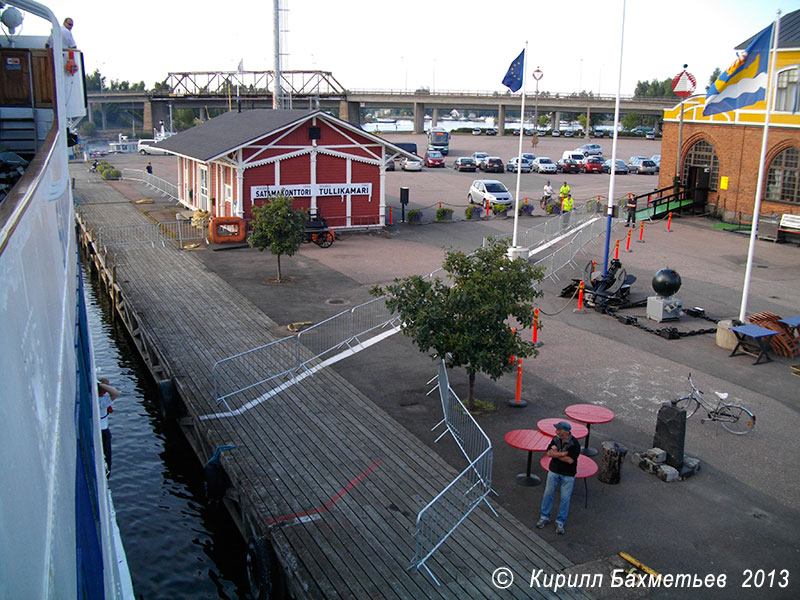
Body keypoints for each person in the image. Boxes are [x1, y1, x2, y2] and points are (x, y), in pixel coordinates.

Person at [537, 421, 581, 535]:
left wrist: (555, 453)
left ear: (565, 432)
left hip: (568, 474)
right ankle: (544, 516)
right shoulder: (555, 439)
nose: (556, 431)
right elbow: (549, 453)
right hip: (554, 470)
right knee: (548, 493)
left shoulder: (574, 444)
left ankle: (560, 521)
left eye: (558, 429)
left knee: (565, 498)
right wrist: (562, 454)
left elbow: (570, 460)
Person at [97, 378, 120, 475]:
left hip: (102, 429)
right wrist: (100, 385)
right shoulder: (101, 401)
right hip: (103, 431)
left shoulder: (98, 399)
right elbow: (115, 393)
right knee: (106, 456)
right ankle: (106, 474)